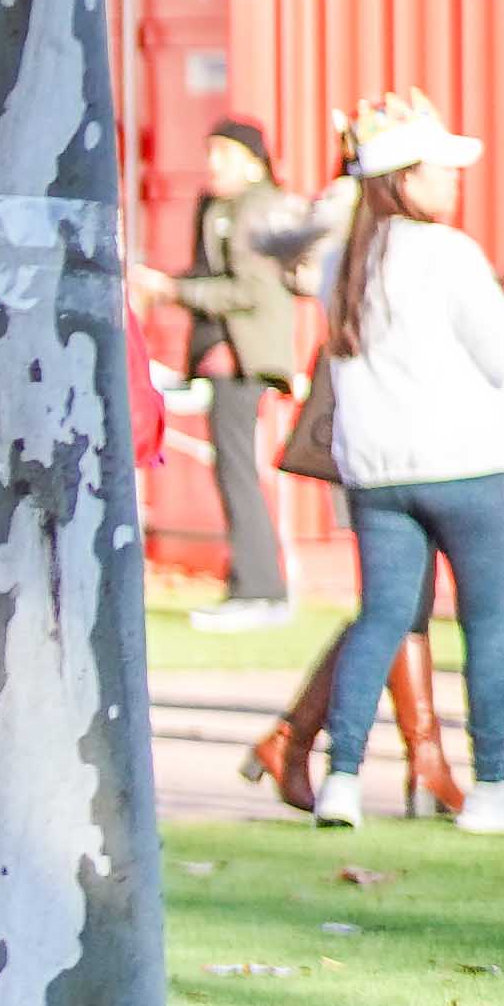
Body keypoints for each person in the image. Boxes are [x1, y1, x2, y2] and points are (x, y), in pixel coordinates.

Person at [295, 90, 504, 831]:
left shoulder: (343, 261)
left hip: (377, 471)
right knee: (489, 624)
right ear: (406, 178)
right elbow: (499, 357)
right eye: (439, 169)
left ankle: (342, 779)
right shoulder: (449, 254)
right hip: (467, 463)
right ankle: (493, 785)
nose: (453, 180)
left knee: (381, 618)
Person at [142, 116, 325, 630]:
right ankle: (251, 584)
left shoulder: (256, 209)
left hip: (243, 357)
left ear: (253, 162)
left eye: (222, 154)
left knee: (238, 470)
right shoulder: (222, 206)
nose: (211, 164)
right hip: (225, 355)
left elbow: (250, 289)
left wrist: (171, 290)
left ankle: (260, 589)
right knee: (233, 469)